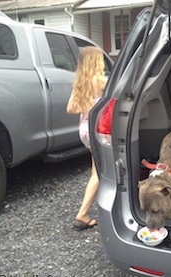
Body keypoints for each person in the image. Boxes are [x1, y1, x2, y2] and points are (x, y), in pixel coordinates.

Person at [66, 46, 107, 230]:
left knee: (96, 170)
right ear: (96, 61)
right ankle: (83, 212)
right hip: (96, 131)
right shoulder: (101, 81)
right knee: (98, 173)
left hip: (83, 130)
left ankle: (90, 208)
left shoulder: (80, 83)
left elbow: (70, 109)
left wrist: (87, 104)